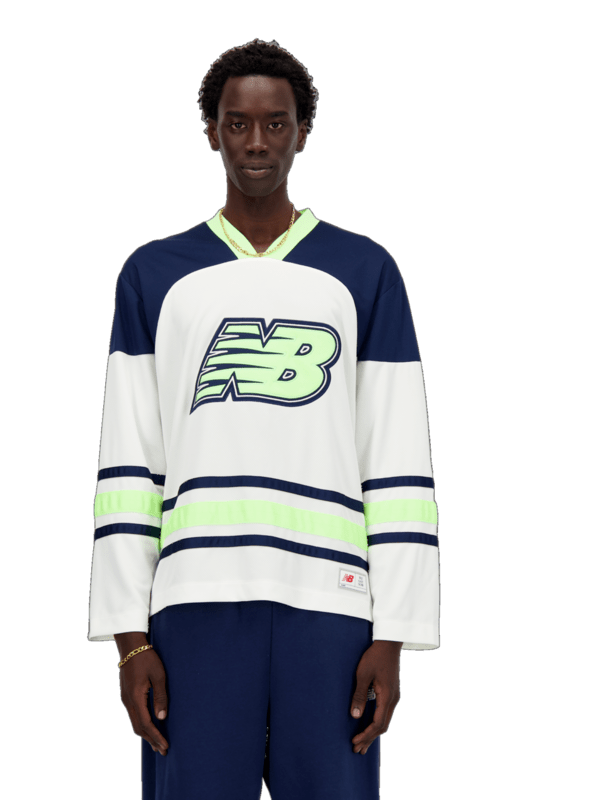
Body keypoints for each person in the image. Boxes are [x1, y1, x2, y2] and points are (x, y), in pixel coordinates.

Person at [87, 38, 441, 800]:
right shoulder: (155, 276)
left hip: (332, 608)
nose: (256, 142)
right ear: (211, 131)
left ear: (302, 133)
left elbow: (398, 457)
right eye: (237, 123)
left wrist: (393, 633)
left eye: (275, 124)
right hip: (193, 607)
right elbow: (129, 463)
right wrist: (129, 639)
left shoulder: (363, 272)